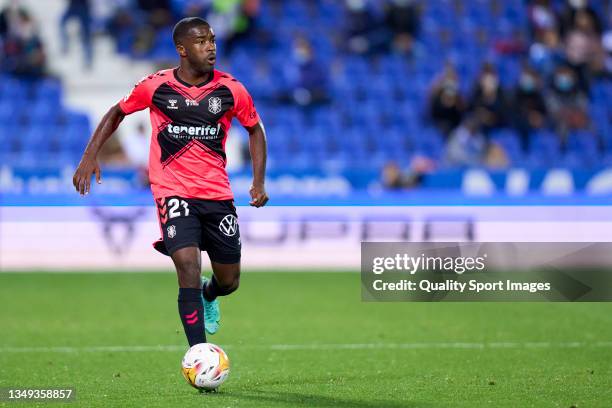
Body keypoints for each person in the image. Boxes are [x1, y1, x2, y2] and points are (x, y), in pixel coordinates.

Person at [72, 17, 269, 347]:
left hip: (217, 194)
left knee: (229, 280)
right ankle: (199, 353)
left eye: (213, 40)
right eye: (201, 41)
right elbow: (116, 112)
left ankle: (210, 293)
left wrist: (258, 182)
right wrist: (90, 155)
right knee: (187, 265)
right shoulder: (156, 86)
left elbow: (255, 129)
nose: (210, 47)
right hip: (172, 191)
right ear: (182, 49)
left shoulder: (231, 89)